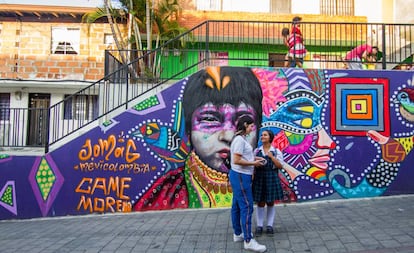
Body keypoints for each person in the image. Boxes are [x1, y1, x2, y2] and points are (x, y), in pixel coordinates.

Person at [134, 66, 263, 210]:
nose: (228, 136)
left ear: (258, 128)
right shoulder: (165, 194)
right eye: (209, 119)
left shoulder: (272, 185)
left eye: (244, 122)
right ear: (189, 131)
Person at [230, 115, 267, 252]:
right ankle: (248, 240)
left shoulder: (239, 138)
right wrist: (254, 163)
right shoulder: (240, 140)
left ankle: (238, 233)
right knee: (247, 206)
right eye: (251, 126)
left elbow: (242, 156)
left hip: (238, 176)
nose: (252, 128)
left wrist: (255, 158)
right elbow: (236, 160)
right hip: (241, 176)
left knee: (237, 206)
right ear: (245, 124)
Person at [252, 129, 284, 236]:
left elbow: (280, 166)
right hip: (260, 177)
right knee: (260, 202)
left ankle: (270, 226)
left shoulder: (276, 151)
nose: (262, 137)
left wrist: (271, 157)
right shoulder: (257, 151)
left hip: (271, 177)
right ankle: (259, 226)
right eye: (262, 135)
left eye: (265, 135)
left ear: (270, 138)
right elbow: (252, 165)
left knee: (270, 202)